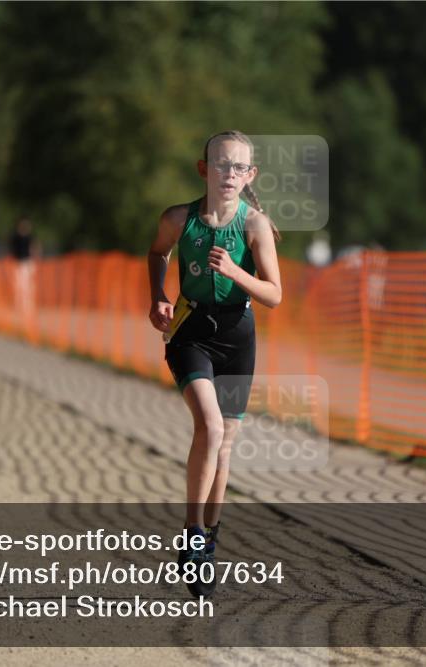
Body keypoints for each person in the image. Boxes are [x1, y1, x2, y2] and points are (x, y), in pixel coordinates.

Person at [147, 130, 282, 597]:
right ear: (204, 169)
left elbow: (274, 294)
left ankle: (210, 537)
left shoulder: (254, 226)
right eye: (221, 165)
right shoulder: (179, 218)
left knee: (224, 447)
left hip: (237, 337)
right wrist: (157, 296)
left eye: (238, 167)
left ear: (250, 176)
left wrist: (237, 272)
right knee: (211, 427)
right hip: (191, 333)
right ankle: (192, 533)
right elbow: (157, 251)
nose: (229, 174)